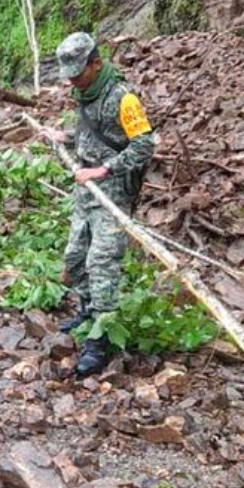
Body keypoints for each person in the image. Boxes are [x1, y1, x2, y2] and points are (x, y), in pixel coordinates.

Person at [46, 33, 154, 376]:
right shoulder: (85, 93)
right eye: (69, 76)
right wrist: (65, 137)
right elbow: (92, 132)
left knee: (102, 263)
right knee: (75, 257)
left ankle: (100, 341)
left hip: (113, 193)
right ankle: (88, 309)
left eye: (78, 73)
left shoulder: (124, 98)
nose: (73, 81)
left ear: (97, 63)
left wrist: (104, 169)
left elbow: (144, 145)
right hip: (86, 191)